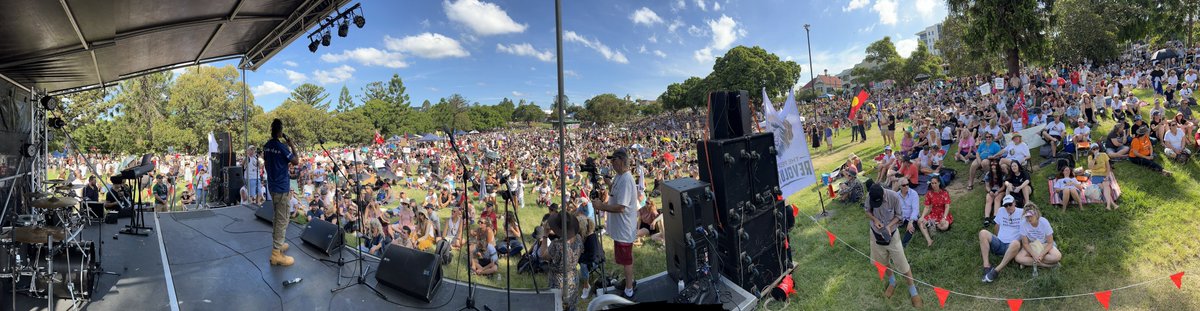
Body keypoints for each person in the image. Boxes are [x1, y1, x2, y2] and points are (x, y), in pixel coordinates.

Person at [862, 181, 922, 307]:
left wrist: (889, 226)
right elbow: (867, 211)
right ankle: (892, 282)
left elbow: (899, 216)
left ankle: (913, 291)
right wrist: (875, 219)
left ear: (884, 194)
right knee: (883, 262)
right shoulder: (870, 196)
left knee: (902, 263)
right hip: (875, 233)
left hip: (892, 234)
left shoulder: (894, 197)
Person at [591, 148, 639, 298]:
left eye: (614, 160)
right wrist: (609, 184)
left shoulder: (626, 179)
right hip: (620, 228)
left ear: (621, 161)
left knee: (626, 260)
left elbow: (621, 207)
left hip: (624, 228)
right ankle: (628, 282)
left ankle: (629, 289)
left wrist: (601, 206)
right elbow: (616, 193)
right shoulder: (619, 176)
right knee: (624, 259)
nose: (611, 163)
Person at [264, 118, 300, 266]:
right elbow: (296, 161)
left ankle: (278, 245)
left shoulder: (266, 146)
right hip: (281, 188)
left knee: (277, 216)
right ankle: (276, 253)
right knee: (282, 218)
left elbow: (266, 164)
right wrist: (291, 144)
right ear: (280, 131)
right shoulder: (281, 147)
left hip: (272, 186)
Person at [540, 212, 582, 310]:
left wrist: (545, 235)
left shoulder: (557, 245)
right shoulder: (579, 239)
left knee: (558, 306)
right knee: (572, 306)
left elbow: (543, 255)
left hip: (558, 281)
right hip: (573, 277)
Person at [978, 195, 1023, 283]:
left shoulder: (1022, 212)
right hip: (999, 243)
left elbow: (1025, 231)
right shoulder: (1001, 210)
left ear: (1014, 203)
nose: (1008, 207)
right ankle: (986, 266)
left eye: (1010, 204)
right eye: (1006, 205)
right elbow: (997, 226)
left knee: (1016, 243)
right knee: (983, 233)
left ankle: (996, 271)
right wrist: (996, 238)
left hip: (1011, 247)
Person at [918, 177, 952, 246]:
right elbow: (927, 207)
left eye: (935, 183)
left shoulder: (944, 193)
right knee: (920, 221)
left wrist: (944, 218)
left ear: (939, 183)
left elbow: (947, 206)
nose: (933, 185)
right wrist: (922, 216)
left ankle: (932, 224)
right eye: (932, 183)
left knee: (944, 226)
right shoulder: (929, 194)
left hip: (943, 214)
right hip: (934, 213)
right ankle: (929, 240)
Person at [1086, 144, 1118, 210]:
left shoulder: (1104, 155)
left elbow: (1108, 167)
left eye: (1097, 148)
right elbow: (1090, 167)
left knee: (1106, 185)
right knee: (1103, 187)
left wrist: (1107, 176)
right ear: (1091, 150)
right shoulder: (1090, 157)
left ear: (1099, 148)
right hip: (1095, 176)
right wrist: (1095, 157)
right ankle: (1113, 204)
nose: (1096, 150)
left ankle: (1109, 206)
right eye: (1093, 149)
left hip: (1104, 174)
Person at [983, 160, 1006, 227]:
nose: (993, 170)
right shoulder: (988, 174)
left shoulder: (1002, 174)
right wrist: (989, 191)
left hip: (1001, 190)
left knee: (997, 199)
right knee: (988, 199)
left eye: (995, 168)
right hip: (992, 189)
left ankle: (995, 216)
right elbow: (987, 186)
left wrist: (998, 191)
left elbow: (1003, 186)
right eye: (992, 168)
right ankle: (986, 218)